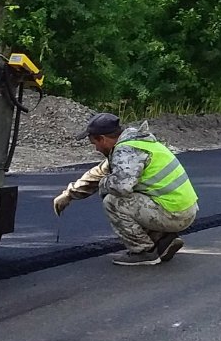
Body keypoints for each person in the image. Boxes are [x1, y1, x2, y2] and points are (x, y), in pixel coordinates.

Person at [52, 112, 199, 266]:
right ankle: (163, 240)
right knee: (130, 194)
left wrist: (103, 184)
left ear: (102, 138)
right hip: (183, 209)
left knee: (113, 201)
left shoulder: (126, 151)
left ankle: (144, 251)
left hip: (174, 214)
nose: (96, 149)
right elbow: (99, 172)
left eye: (94, 143)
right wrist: (68, 194)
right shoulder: (138, 142)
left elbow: (121, 187)